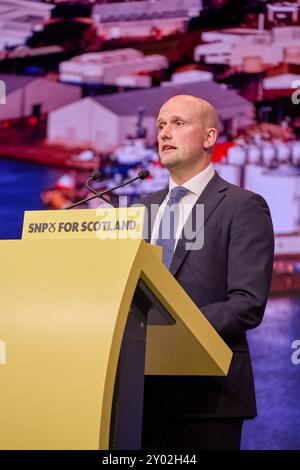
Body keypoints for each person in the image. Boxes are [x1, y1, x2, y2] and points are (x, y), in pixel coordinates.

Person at [139, 95, 274, 450]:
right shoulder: (140, 208)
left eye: (178, 123)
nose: (165, 132)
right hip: (135, 398)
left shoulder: (242, 206)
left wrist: (174, 329)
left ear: (209, 137)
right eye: (160, 125)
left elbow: (247, 302)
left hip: (207, 399)